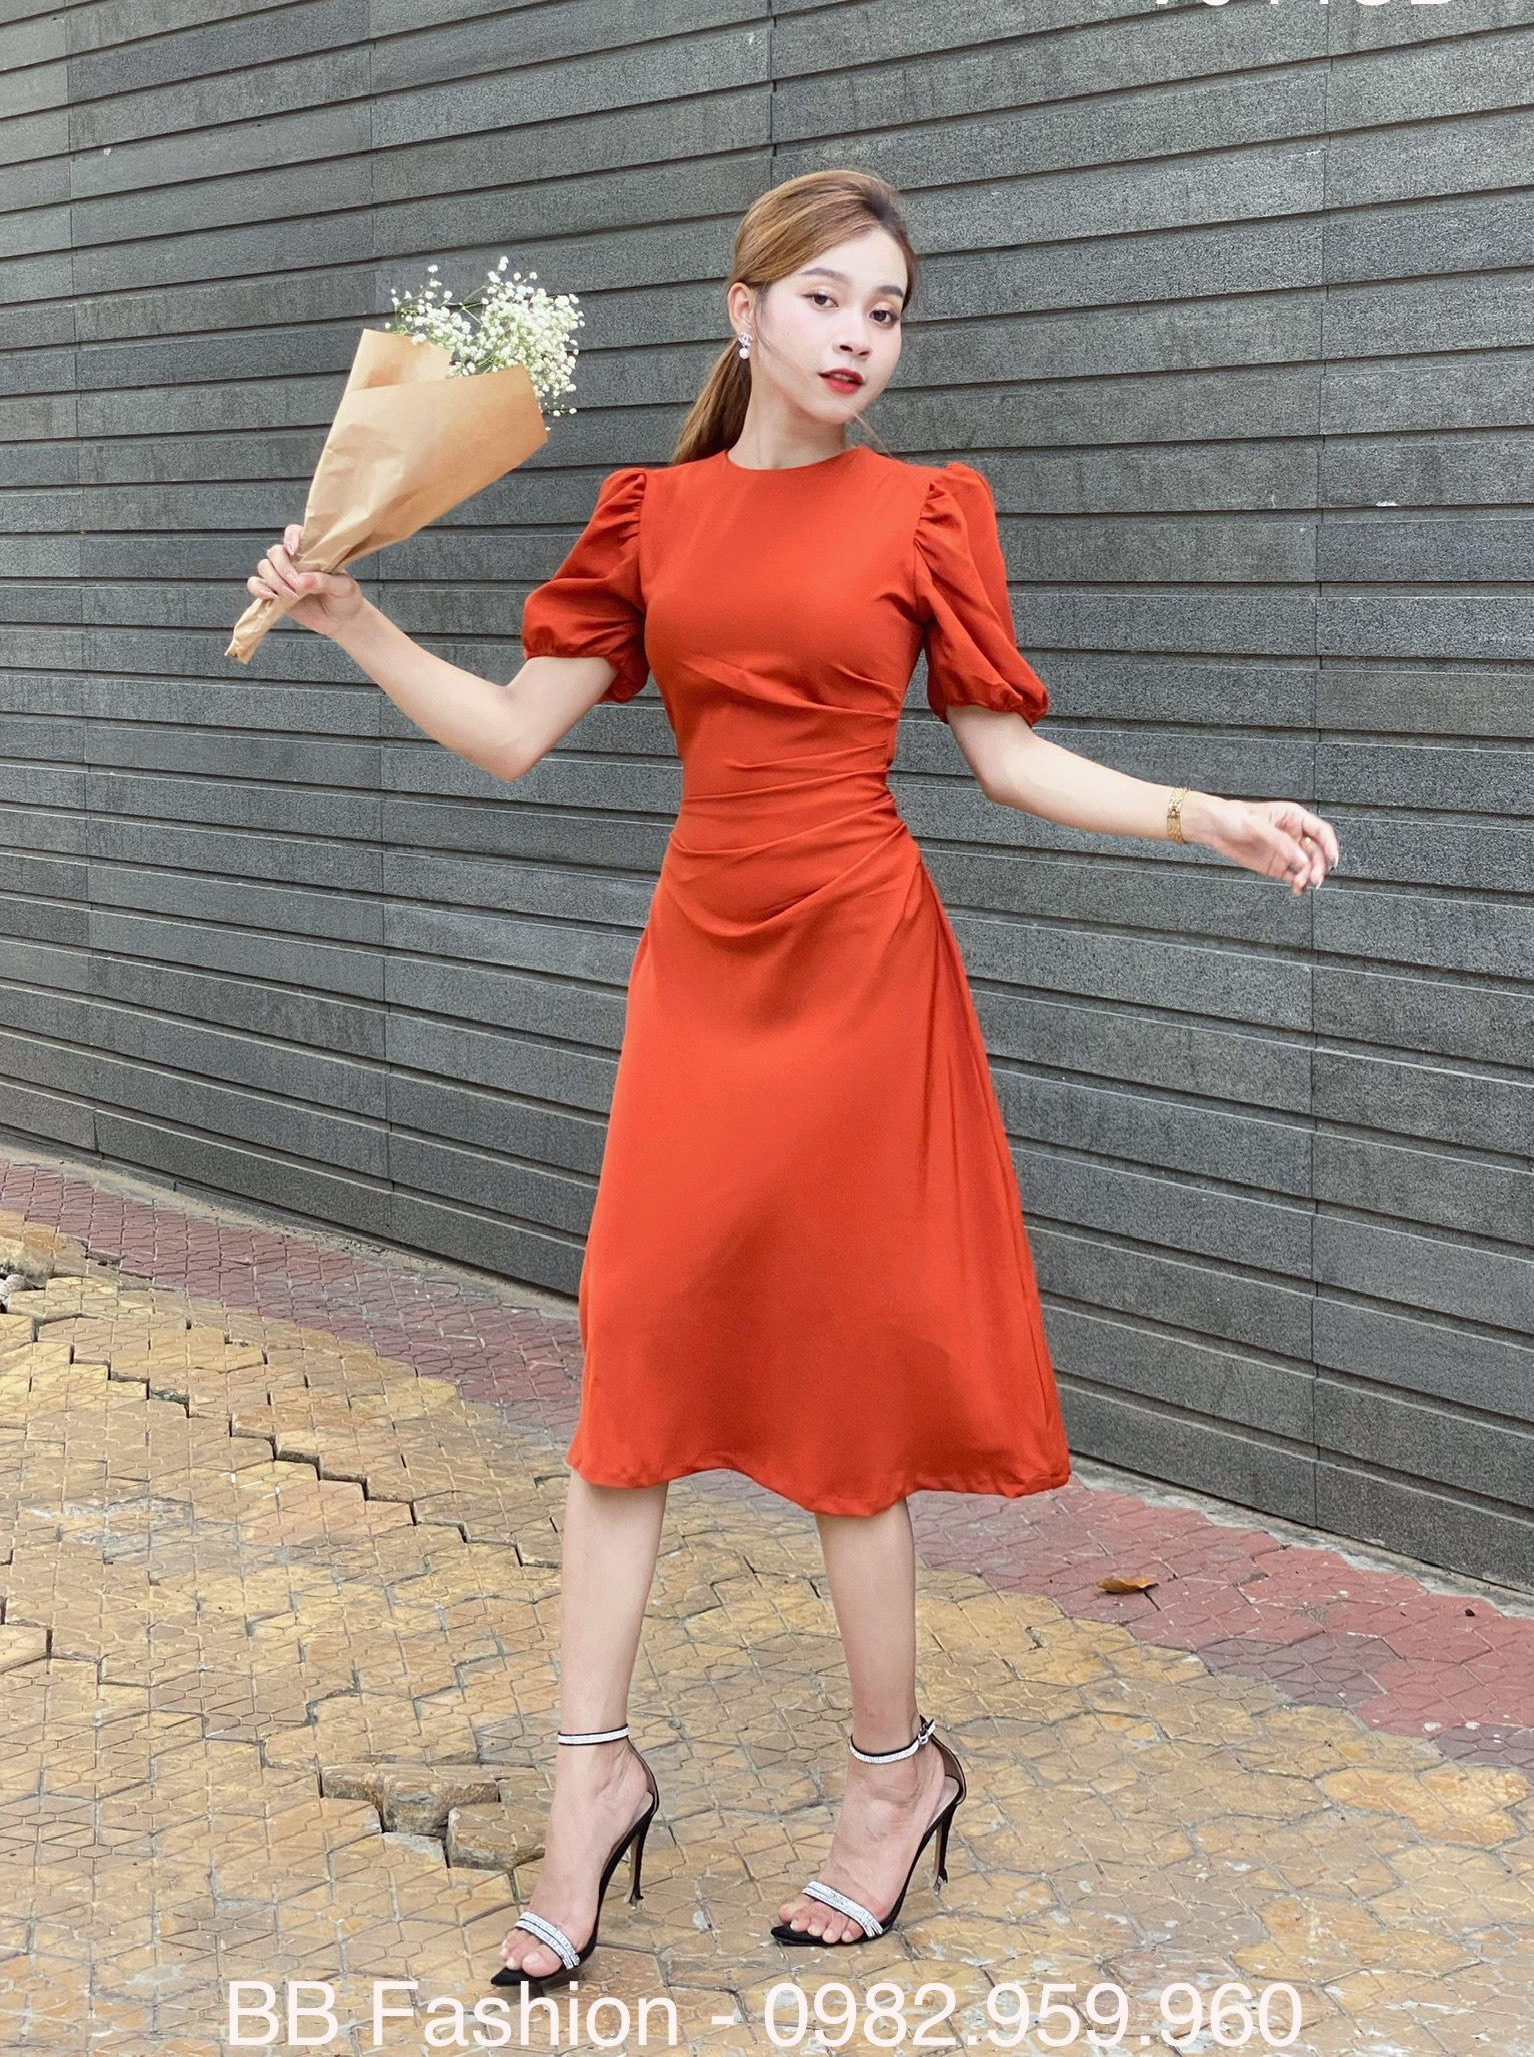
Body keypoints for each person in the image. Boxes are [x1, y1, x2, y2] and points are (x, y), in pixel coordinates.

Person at [245, 169, 1340, 1984]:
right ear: (742, 310)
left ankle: (890, 1781)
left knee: (839, 1391)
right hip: (702, 964)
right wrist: (351, 619)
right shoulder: (650, 513)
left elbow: (1002, 759)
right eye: (825, 298)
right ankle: (590, 1783)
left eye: (885, 311)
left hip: (859, 967)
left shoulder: (924, 509)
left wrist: (1193, 813)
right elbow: (512, 734)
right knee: (634, 1358)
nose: (857, 338)